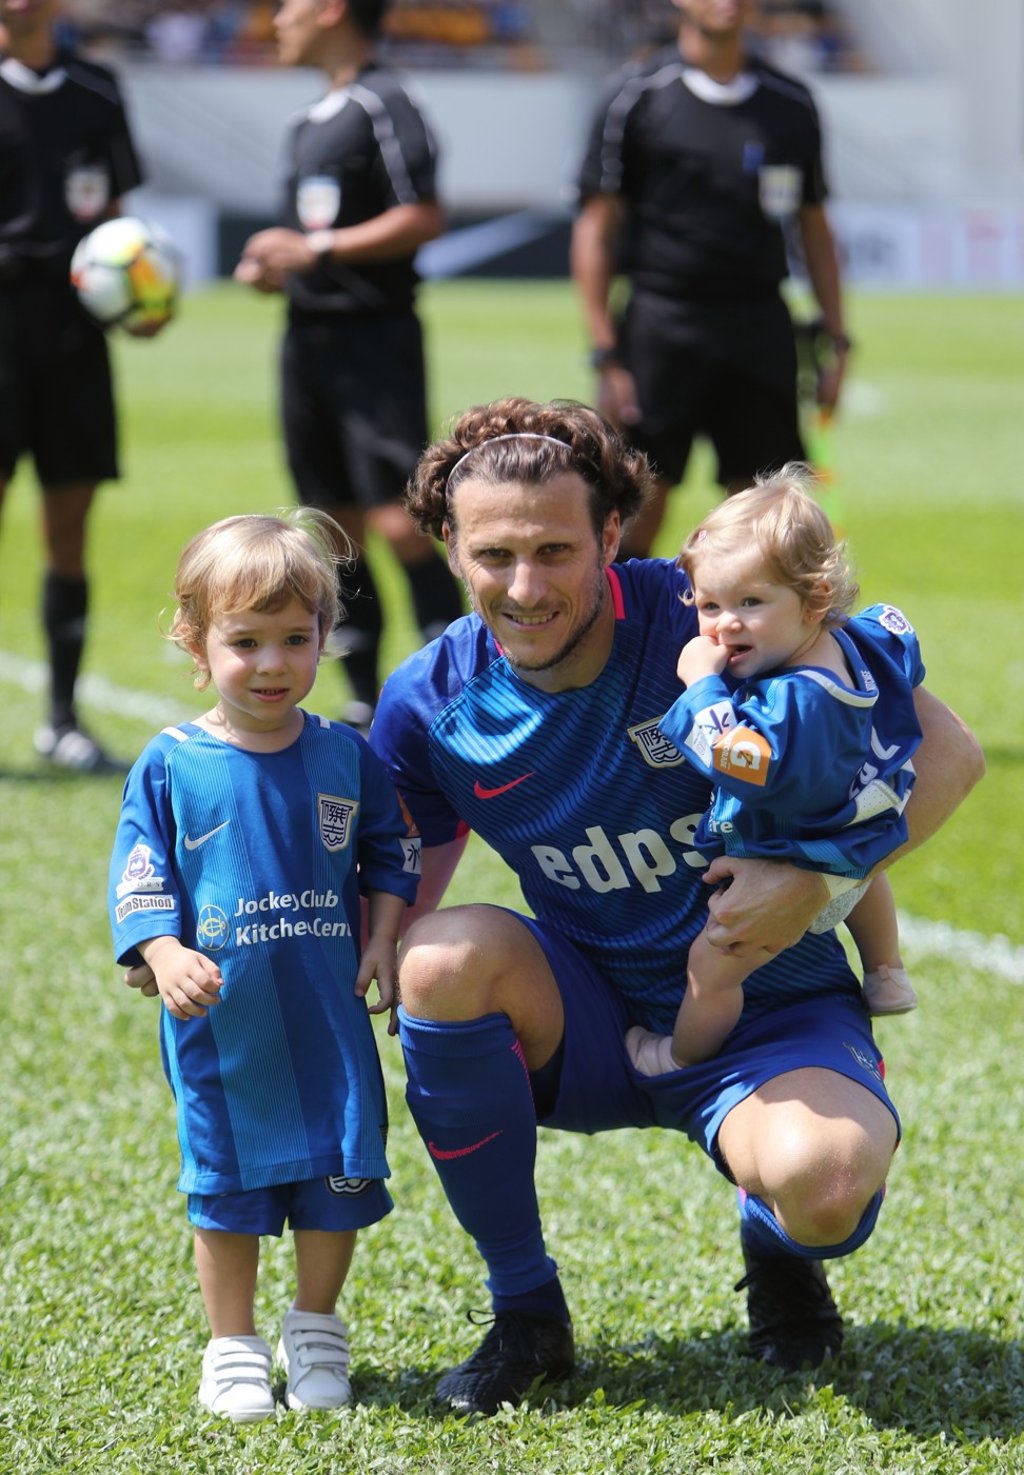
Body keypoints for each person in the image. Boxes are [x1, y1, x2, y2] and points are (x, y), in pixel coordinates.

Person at [366, 396, 981, 1415]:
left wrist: (818, 881)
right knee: (436, 956)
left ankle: (773, 1233)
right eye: (493, 554)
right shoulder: (428, 702)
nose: (525, 586)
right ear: (447, 547)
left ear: (612, 535)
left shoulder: (720, 610)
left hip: (769, 1007)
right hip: (593, 1017)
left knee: (824, 1187)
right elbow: (396, 914)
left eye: (556, 548)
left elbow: (949, 756)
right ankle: (526, 1312)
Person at [108, 509, 419, 1422]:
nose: (274, 662)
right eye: (246, 641)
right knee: (226, 1189)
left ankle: (315, 1328)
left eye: (296, 638)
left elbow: (392, 851)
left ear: (326, 636)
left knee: (338, 1171)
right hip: (222, 1030)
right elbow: (140, 879)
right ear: (195, 640)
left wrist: (383, 934)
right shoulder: (170, 765)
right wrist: (164, 951)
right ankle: (233, 1346)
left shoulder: (344, 754)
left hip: (328, 1018)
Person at [625, 469, 920, 1079]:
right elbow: (904, 656)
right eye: (709, 605)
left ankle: (680, 1056)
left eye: (750, 603)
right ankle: (886, 971)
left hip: (797, 843)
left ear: (814, 598)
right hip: (861, 820)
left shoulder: (796, 700)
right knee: (864, 879)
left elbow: (743, 763)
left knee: (712, 966)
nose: (724, 625)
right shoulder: (854, 639)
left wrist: (702, 685)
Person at [234, 0, 463, 736]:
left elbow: (423, 215)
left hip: (375, 340)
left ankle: (452, 684)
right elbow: (304, 238)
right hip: (307, 341)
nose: (275, 21)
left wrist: (322, 253)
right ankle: (365, 699)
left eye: (288, 7)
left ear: (331, 10)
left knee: (400, 521)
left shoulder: (386, 103)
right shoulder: (307, 122)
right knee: (333, 530)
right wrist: (275, 266)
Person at [570, 0, 850, 558]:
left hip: (760, 325)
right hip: (661, 324)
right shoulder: (635, 96)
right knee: (632, 517)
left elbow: (813, 227)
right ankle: (622, 642)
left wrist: (837, 340)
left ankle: (759, 647)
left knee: (766, 524)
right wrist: (606, 351)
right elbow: (596, 228)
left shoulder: (790, 103)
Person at [0, 0, 150, 771]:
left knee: (69, 527)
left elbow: (118, 222)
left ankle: (61, 719)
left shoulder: (96, 90)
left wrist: (139, 300)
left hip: (73, 337)